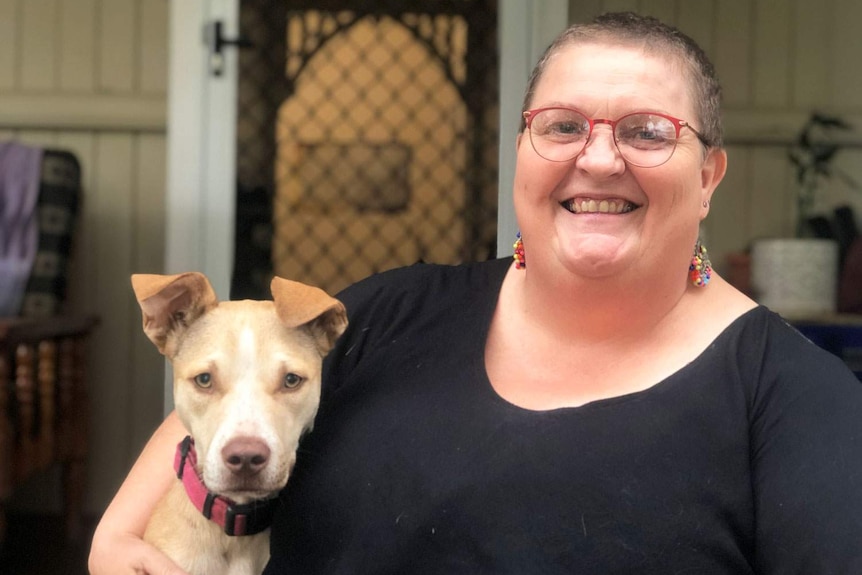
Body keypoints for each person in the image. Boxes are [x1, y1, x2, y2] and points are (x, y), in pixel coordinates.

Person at [89, 11, 862, 574]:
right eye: (561, 125)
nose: (597, 158)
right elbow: (227, 395)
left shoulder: (795, 399)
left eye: (647, 130)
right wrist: (115, 539)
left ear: (709, 176)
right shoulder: (388, 314)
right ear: (520, 154)